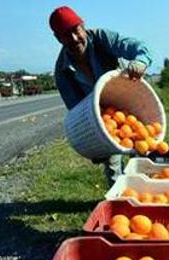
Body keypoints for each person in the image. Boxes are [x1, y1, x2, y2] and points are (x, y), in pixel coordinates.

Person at [50, 6, 153, 187]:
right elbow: (77, 110)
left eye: (76, 30)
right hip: (102, 118)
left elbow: (139, 47)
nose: (74, 38)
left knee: (143, 152)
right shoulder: (62, 72)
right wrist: (95, 143)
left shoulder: (102, 38)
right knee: (113, 168)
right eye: (66, 35)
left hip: (127, 103)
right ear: (58, 38)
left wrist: (140, 62)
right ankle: (118, 202)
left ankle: (145, 193)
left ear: (83, 26)